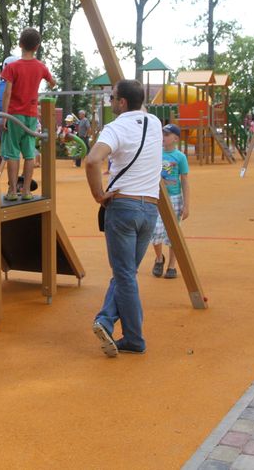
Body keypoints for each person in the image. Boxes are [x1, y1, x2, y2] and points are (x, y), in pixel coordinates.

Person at [85, 79, 163, 357]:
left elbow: (92, 160)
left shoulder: (115, 128)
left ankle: (133, 338)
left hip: (123, 206)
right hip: (149, 208)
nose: (110, 101)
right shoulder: (155, 123)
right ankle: (107, 320)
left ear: (122, 102)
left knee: (125, 274)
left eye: (113, 97)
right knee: (126, 273)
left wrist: (98, 194)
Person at [1, 27, 56, 201]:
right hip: (31, 115)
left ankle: (12, 191)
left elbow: (7, 93)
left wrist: (4, 115)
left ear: (20, 44)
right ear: (37, 47)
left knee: (12, 152)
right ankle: (26, 191)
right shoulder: (41, 67)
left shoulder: (12, 67)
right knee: (29, 153)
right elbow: (53, 83)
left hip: (14, 114)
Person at [150, 124, 189, 280]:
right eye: (162, 134)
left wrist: (186, 205)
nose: (163, 137)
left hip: (174, 198)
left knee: (173, 234)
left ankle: (172, 265)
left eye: (167, 135)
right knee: (155, 230)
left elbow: (184, 180)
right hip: (157, 197)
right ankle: (159, 258)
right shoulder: (155, 153)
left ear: (175, 139)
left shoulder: (180, 157)